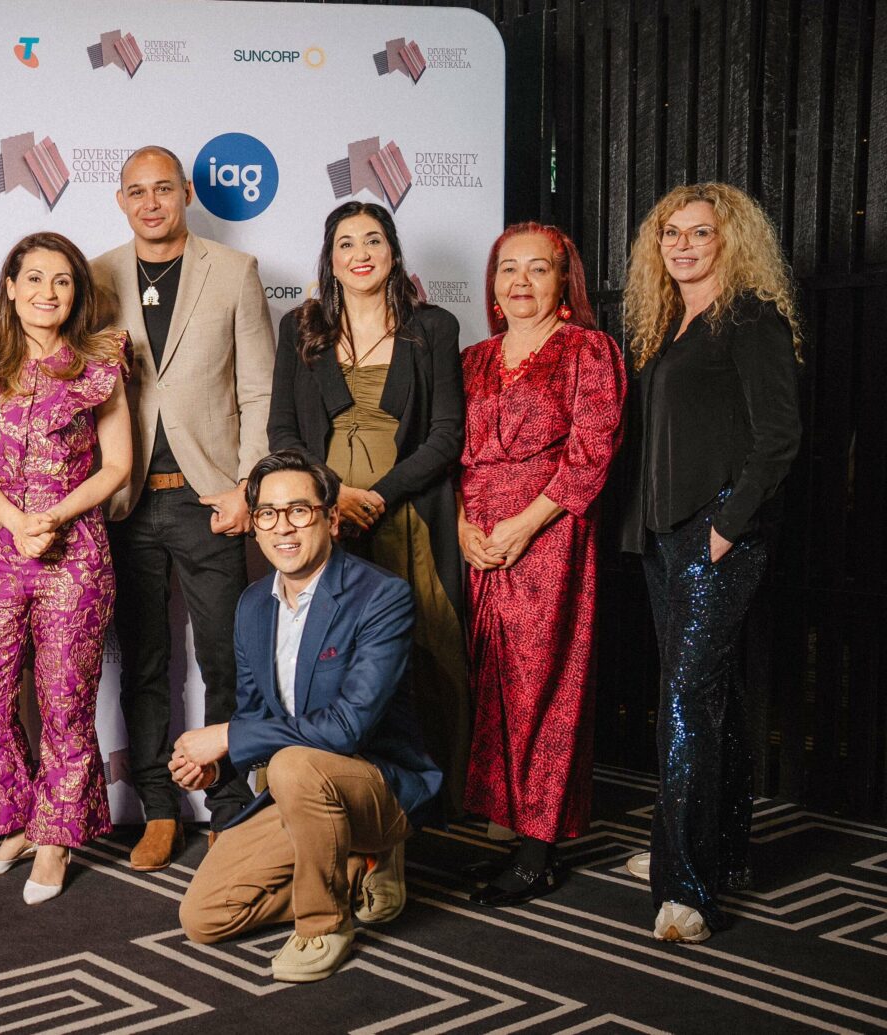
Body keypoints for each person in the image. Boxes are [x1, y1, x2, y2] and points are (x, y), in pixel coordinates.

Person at [171, 449, 441, 983]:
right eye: (268, 513)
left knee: (294, 764)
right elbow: (255, 714)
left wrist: (228, 736)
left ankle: (324, 924)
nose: (283, 527)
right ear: (255, 525)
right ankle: (359, 865)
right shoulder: (253, 605)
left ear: (331, 518)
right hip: (301, 793)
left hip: (380, 787)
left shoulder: (382, 597)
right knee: (203, 917)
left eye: (299, 510)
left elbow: (347, 728)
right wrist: (217, 765)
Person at [618, 183, 803, 943]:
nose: (683, 245)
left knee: (686, 703)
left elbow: (780, 437)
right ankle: (712, 851)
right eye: (671, 233)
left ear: (731, 240)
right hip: (665, 535)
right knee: (698, 695)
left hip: (717, 533)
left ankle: (686, 885)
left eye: (700, 232)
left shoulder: (751, 319)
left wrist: (727, 527)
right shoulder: (670, 323)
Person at [91, 145, 275, 869]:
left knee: (225, 658)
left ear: (187, 193)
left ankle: (227, 806)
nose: (151, 203)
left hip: (210, 499)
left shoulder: (234, 271)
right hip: (127, 502)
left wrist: (248, 488)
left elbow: (259, 388)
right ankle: (159, 809)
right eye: (137, 191)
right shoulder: (96, 275)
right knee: (142, 663)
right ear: (121, 200)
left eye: (163, 188)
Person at [268, 200, 469, 819]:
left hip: (409, 513)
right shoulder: (300, 328)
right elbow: (282, 431)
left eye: (373, 240)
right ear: (330, 259)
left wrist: (378, 495)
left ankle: (436, 801)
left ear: (393, 253)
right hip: (323, 517)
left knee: (430, 650)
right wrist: (332, 494)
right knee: (337, 655)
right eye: (347, 243)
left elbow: (446, 434)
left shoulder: (432, 327)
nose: (361, 254)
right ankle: (347, 794)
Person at [0, 232, 132, 903]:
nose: (46, 292)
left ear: (77, 292)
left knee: (65, 701)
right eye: (33, 278)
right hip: (1, 550)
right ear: (9, 287)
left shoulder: (99, 363)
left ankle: (56, 839)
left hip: (75, 552)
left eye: (62, 280)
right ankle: (19, 827)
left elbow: (117, 466)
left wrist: (54, 516)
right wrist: (13, 520)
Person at [457, 223, 626, 906]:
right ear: (493, 283)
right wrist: (465, 527)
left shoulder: (589, 350)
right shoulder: (473, 359)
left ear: (564, 280)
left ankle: (538, 852)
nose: (521, 281)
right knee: (492, 682)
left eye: (538, 268)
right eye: (508, 269)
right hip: (481, 544)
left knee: (547, 687)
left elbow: (592, 453)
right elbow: (457, 457)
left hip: (550, 537)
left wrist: (525, 525)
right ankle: (508, 824)